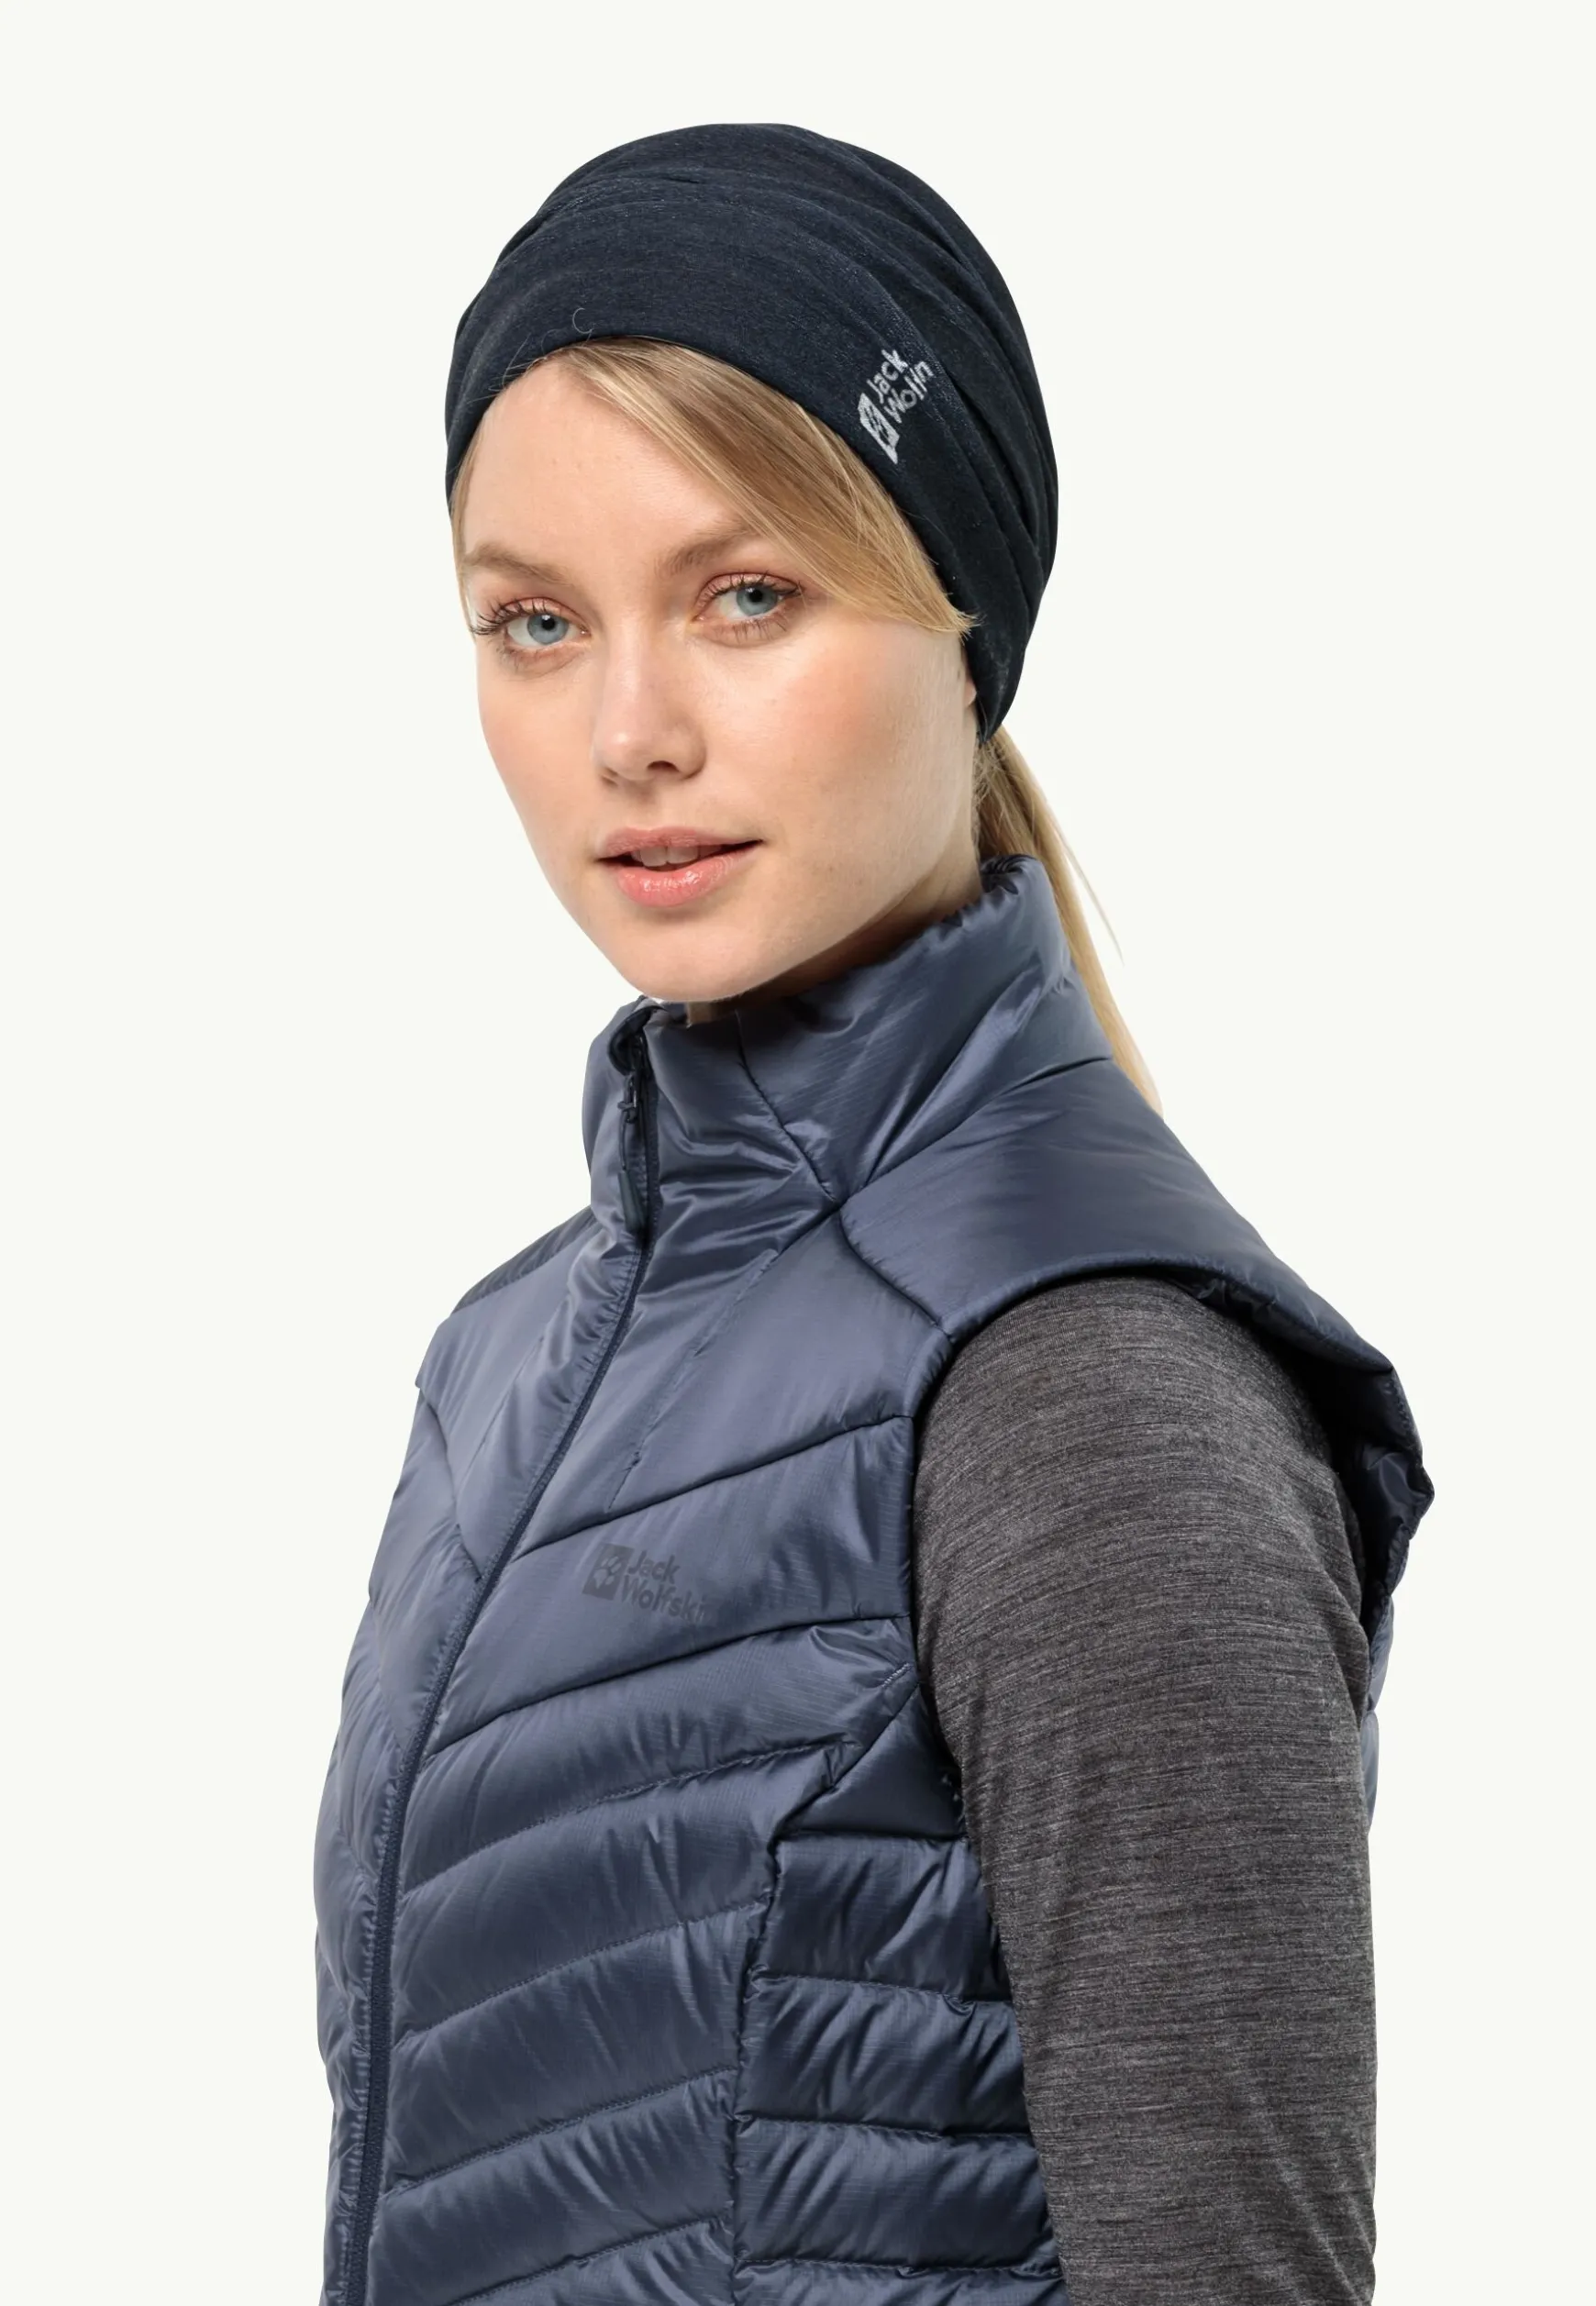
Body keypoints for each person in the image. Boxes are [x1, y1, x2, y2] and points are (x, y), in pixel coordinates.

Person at [311, 123, 1434, 2306]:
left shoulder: (1087, 1391)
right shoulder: (505, 1362)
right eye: (535, 623)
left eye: (747, 597)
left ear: (960, 615)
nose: (631, 731)